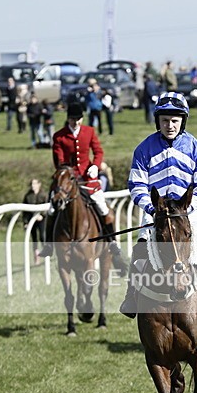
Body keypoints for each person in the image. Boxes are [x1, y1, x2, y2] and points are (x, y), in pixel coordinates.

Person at [119, 91, 197, 318]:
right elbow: (137, 185)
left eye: (174, 121)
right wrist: (152, 209)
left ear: (183, 121)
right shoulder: (144, 149)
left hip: (186, 211)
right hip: (155, 211)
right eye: (165, 121)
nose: (170, 125)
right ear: (158, 121)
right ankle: (131, 296)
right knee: (140, 250)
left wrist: (187, 208)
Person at [38, 102, 126, 274]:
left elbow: (98, 151)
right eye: (72, 119)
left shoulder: (90, 132)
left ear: (82, 118)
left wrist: (96, 165)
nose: (76, 122)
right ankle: (49, 244)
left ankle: (112, 241)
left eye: (78, 119)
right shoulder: (59, 137)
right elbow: (59, 161)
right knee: (51, 210)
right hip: (67, 182)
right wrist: (68, 174)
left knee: (103, 208)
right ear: (68, 119)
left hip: (88, 181)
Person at [22, 178, 48, 265]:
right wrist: (25, 222)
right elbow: (24, 210)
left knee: (42, 236)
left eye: (35, 184)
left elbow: (47, 206)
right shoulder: (27, 196)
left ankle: (46, 254)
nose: (33, 186)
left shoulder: (44, 195)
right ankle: (36, 257)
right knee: (34, 239)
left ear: (39, 184)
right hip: (31, 220)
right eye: (32, 184)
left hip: (42, 219)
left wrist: (42, 215)